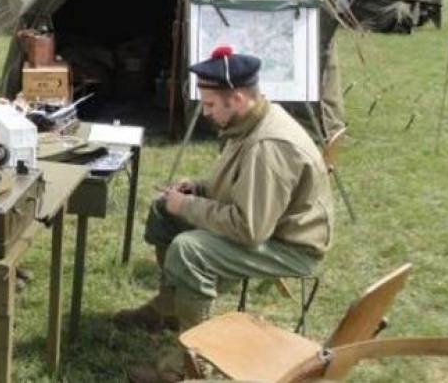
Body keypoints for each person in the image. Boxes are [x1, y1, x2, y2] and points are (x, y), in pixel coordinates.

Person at [116, 46, 335, 382]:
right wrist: (199, 188)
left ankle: (188, 365)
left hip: (290, 246)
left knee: (190, 250)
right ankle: (170, 307)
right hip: (267, 225)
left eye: (210, 104)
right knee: (164, 212)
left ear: (236, 98)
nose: (205, 112)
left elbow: (250, 229)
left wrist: (189, 206)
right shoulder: (249, 120)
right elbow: (238, 185)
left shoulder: (268, 146)